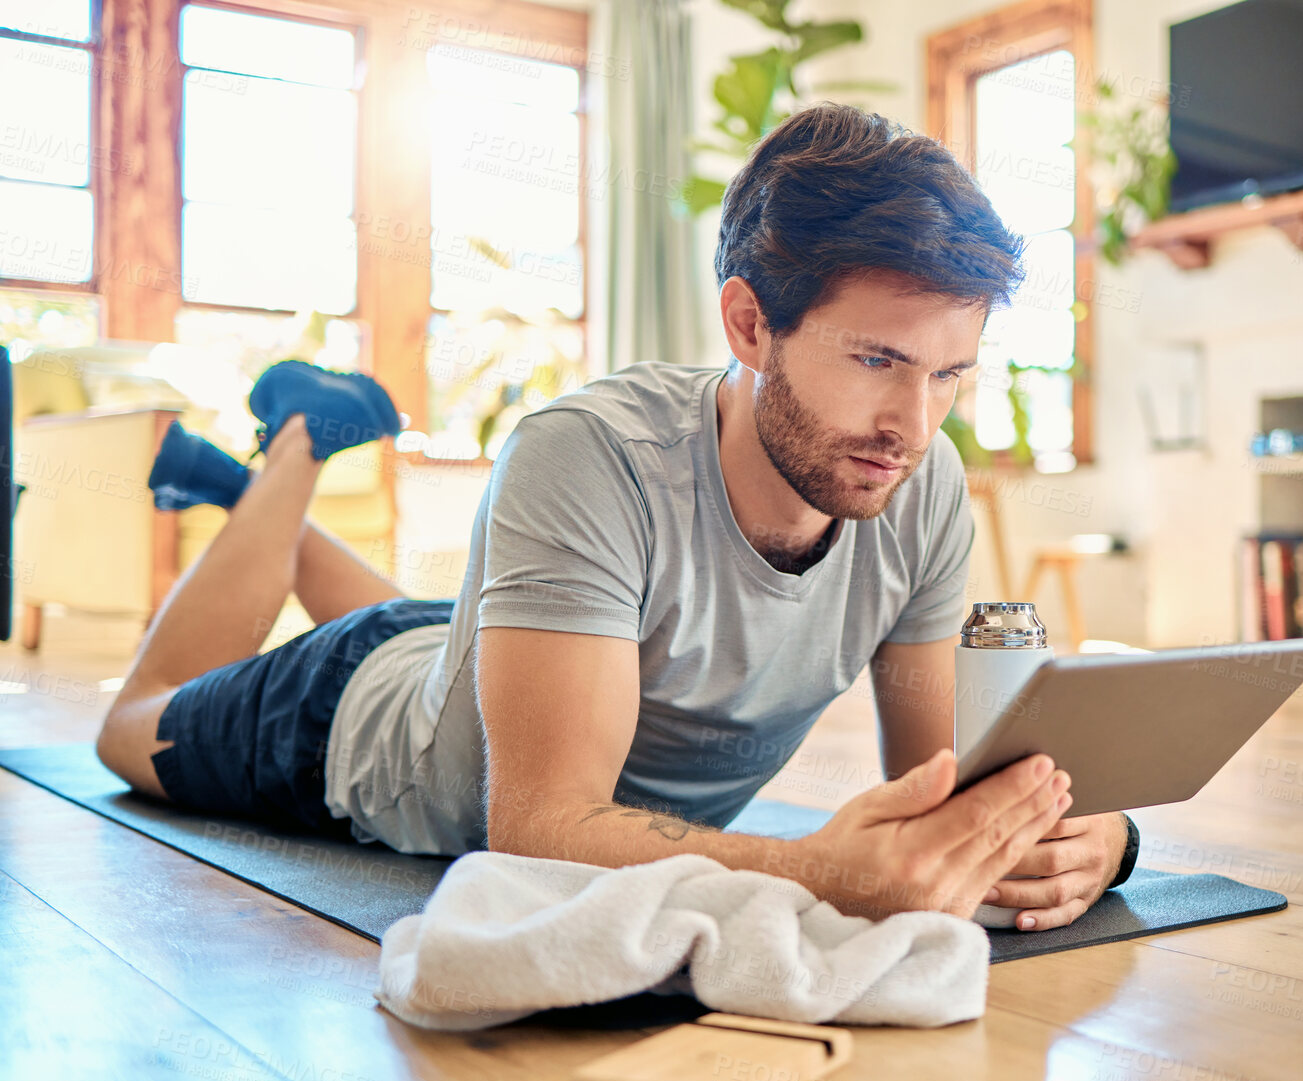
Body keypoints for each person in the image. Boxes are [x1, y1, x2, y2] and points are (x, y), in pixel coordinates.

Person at [96, 102, 1135, 930]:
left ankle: (235, 491)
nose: (912, 426)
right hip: (357, 727)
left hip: (505, 660)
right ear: (749, 324)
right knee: (132, 725)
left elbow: (938, 784)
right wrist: (823, 873)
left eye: (948, 375)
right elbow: (540, 827)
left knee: (432, 629)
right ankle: (292, 454)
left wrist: (1093, 840)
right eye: (877, 361)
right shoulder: (586, 456)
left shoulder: (922, 480)